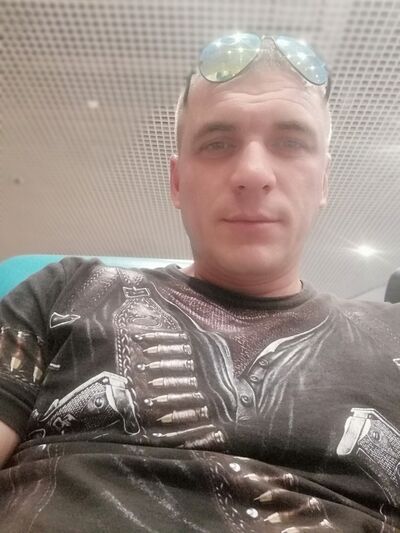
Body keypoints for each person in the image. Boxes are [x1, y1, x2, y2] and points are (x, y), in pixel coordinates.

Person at [0, 32, 399, 533]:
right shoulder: (65, 289)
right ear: (177, 182)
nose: (252, 172)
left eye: (291, 143)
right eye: (217, 144)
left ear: (323, 182)